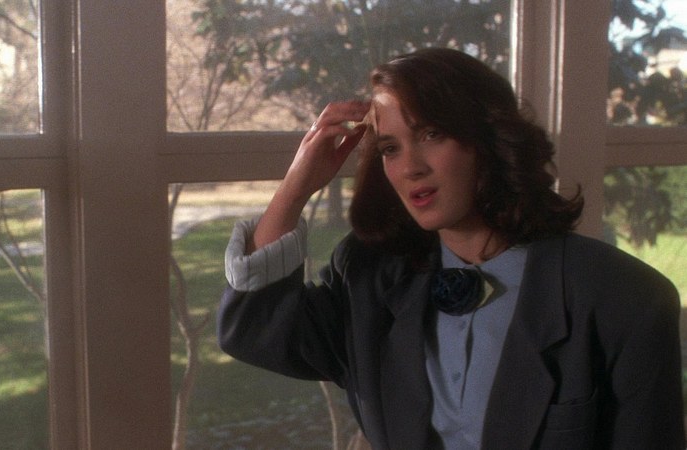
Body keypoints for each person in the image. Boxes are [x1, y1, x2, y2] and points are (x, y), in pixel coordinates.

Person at [217, 47, 684, 449]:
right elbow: (253, 330)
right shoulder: (369, 276)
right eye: (390, 148)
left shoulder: (627, 298)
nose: (410, 168)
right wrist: (297, 186)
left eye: (431, 134)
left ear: (490, 139)